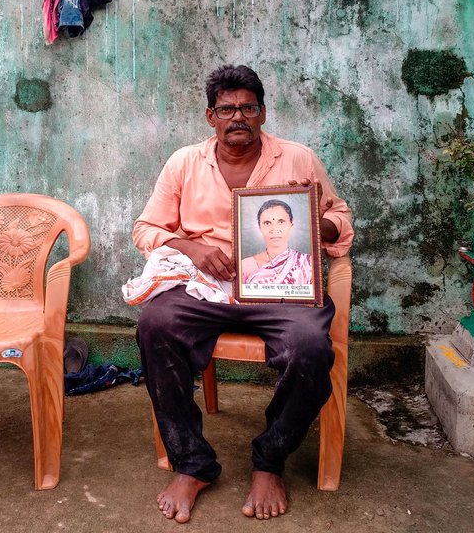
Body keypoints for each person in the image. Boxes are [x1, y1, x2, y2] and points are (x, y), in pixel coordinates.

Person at [132, 64, 353, 523]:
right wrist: (192, 247)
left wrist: (312, 223)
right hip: (205, 286)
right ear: (210, 116)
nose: (238, 117)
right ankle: (192, 463)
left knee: (311, 347)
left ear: (263, 113)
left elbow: (342, 219)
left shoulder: (298, 158)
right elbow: (146, 229)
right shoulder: (184, 162)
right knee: (155, 326)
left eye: (247, 108)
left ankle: (270, 459)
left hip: (280, 287)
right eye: (227, 109)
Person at [240, 199, 312, 285]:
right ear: (260, 227)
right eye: (267, 223)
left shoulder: (307, 263)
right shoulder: (245, 266)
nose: (274, 229)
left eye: (281, 222)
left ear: (291, 224)